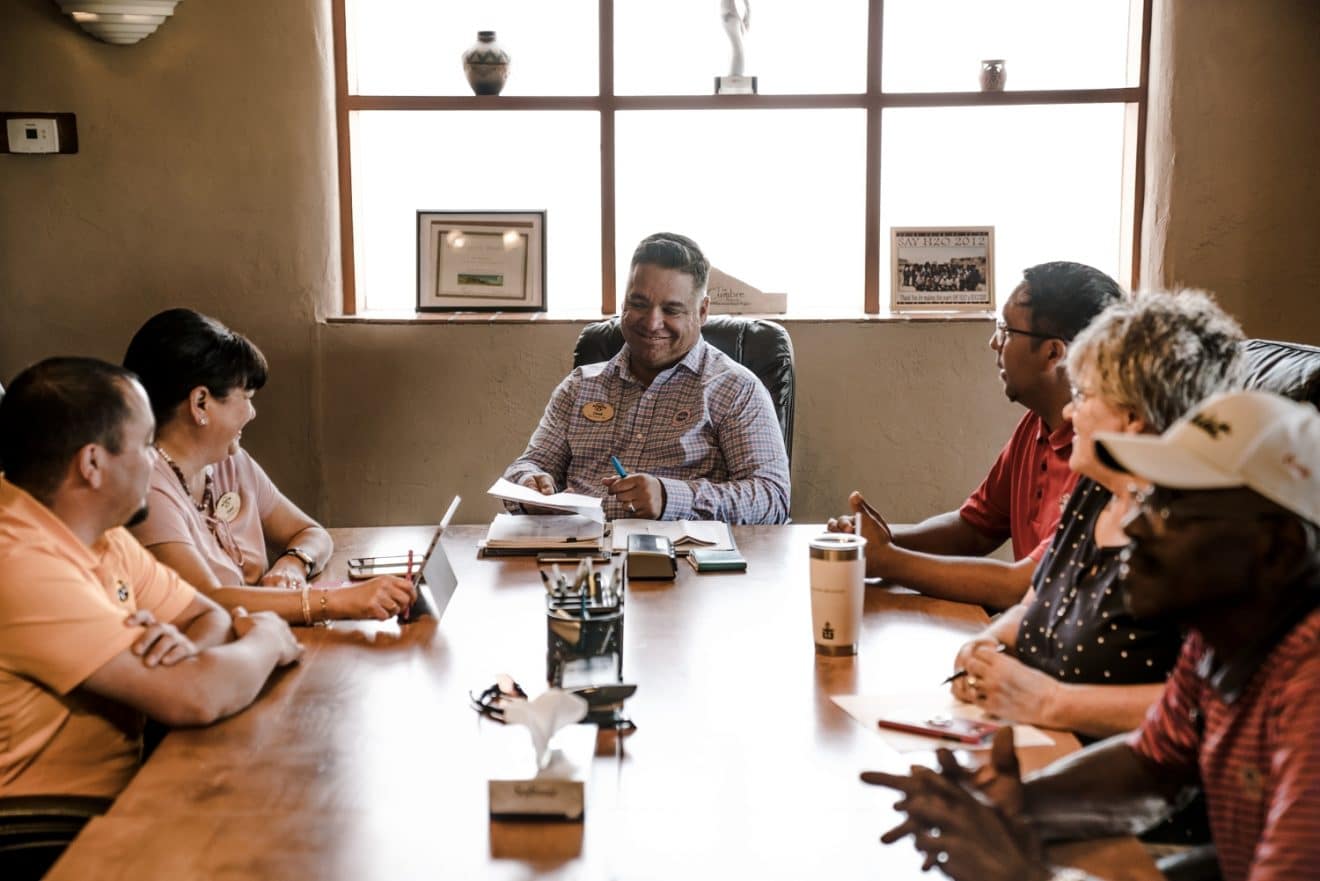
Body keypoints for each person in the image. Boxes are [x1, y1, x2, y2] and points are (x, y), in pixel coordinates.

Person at [863, 389, 1320, 881]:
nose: (1137, 526)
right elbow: (1153, 764)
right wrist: (1014, 800)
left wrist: (1029, 878)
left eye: (1173, 508)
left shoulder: (1309, 686)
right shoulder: (1221, 640)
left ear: (1277, 550)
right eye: (1147, 496)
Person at [0, 358, 302, 798]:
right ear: (92, 463)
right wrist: (270, 639)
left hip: (121, 791)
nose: (154, 461)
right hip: (43, 825)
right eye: (145, 445)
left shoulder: (100, 531)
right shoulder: (21, 564)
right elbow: (194, 697)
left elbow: (209, 614)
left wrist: (188, 652)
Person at [949, 291, 1245, 740]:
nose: (1070, 410)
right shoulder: (1095, 491)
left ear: (1134, 419)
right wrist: (989, 644)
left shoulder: (1195, 535)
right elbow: (1034, 603)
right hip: (1036, 739)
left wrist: (1049, 701)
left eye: (1084, 395)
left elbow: (1210, 705)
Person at [828, 262, 1125, 609]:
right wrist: (875, 540)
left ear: (1053, 353)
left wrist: (888, 560)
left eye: (1007, 330)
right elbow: (973, 531)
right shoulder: (1035, 425)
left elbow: (1022, 587)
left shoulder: (1099, 451)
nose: (993, 343)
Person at [124, 309, 415, 624]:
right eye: (246, 397)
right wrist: (335, 601)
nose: (251, 413)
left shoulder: (229, 462)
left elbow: (311, 532)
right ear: (201, 403)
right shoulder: (146, 488)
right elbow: (206, 600)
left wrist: (291, 564)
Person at [502, 232, 791, 524]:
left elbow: (772, 499)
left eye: (671, 310)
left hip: (683, 559)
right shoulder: (579, 387)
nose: (652, 323)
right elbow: (531, 464)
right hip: (581, 559)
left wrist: (669, 498)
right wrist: (529, 483)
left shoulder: (735, 389)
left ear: (702, 311)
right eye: (639, 304)